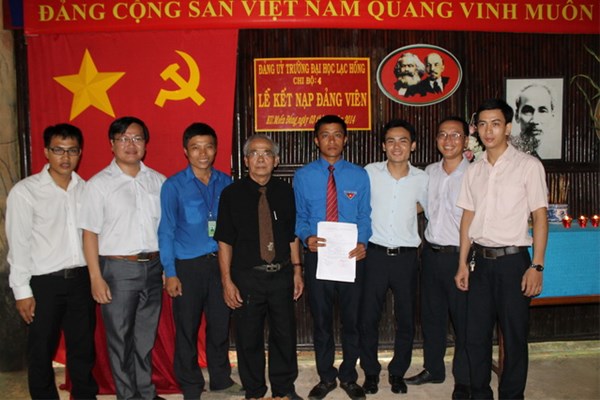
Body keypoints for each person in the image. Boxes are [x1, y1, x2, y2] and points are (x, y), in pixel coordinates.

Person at [455, 99, 548, 399]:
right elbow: (468, 217)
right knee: (475, 337)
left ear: (507, 128)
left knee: (515, 337)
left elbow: (540, 217)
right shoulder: (474, 170)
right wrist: (462, 263)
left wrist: (536, 265)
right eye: (482, 124)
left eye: (495, 124)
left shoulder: (528, 166)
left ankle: (512, 396)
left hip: (513, 263)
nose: (488, 130)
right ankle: (480, 394)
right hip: (480, 263)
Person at [7, 124, 98, 400]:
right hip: (44, 283)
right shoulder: (26, 192)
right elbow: (18, 244)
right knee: (41, 351)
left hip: (81, 281)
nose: (65, 157)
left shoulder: (87, 190)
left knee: (83, 349)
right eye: (58, 150)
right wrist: (22, 292)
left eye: (72, 150)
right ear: (46, 152)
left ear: (80, 153)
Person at [80, 116, 166, 400]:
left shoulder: (158, 181)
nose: (131, 144)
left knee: (145, 337)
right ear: (112, 144)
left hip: (153, 266)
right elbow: (89, 233)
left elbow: (165, 230)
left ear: (145, 143)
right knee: (120, 338)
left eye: (137, 138)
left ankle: (146, 392)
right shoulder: (98, 185)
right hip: (118, 269)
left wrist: (166, 268)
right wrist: (96, 277)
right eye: (124, 139)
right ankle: (127, 395)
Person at [214, 134, 304, 400]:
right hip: (247, 277)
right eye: (254, 153)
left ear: (276, 160)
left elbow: (292, 235)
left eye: (267, 153)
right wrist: (226, 280)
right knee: (248, 338)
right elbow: (224, 241)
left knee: (284, 336)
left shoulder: (286, 192)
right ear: (246, 160)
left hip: (282, 274)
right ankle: (254, 391)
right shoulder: (231, 194)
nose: (261, 158)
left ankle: (283, 390)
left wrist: (297, 270)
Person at [157, 123, 241, 399]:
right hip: (188, 266)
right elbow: (166, 230)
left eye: (208, 147)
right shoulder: (173, 186)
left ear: (216, 149)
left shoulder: (226, 182)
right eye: (196, 147)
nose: (202, 153)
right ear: (186, 151)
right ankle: (191, 384)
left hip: (221, 264)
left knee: (220, 325)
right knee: (187, 328)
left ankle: (221, 379)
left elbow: (235, 229)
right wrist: (170, 272)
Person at [294, 115, 372, 400]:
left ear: (345, 139)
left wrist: (363, 242)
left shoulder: (359, 175)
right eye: (325, 135)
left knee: (352, 320)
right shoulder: (303, 176)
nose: (331, 140)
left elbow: (364, 216)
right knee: (322, 321)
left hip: (352, 257)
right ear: (317, 140)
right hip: (319, 257)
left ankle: (349, 376)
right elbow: (299, 217)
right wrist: (306, 237)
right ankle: (326, 376)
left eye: (337, 134)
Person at [359, 119, 428, 396]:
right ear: (383, 146)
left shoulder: (422, 178)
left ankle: (398, 372)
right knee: (368, 318)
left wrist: (407, 211)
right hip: (374, 255)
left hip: (406, 257)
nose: (396, 146)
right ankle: (371, 373)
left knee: (406, 319)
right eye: (391, 141)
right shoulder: (370, 172)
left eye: (403, 141)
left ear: (413, 146)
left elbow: (428, 206)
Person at [404, 117, 470, 399]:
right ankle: (433, 369)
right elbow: (419, 206)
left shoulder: (475, 173)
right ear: (436, 140)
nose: (448, 140)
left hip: (462, 256)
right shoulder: (429, 172)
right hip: (431, 254)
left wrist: (465, 262)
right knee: (432, 317)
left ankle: (465, 378)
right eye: (443, 134)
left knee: (465, 321)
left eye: (455, 135)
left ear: (466, 140)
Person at [513, 83, 556, 158]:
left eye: (542, 111)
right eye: (528, 111)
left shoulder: (555, 153)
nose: (535, 120)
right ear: (517, 116)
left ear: (552, 117)